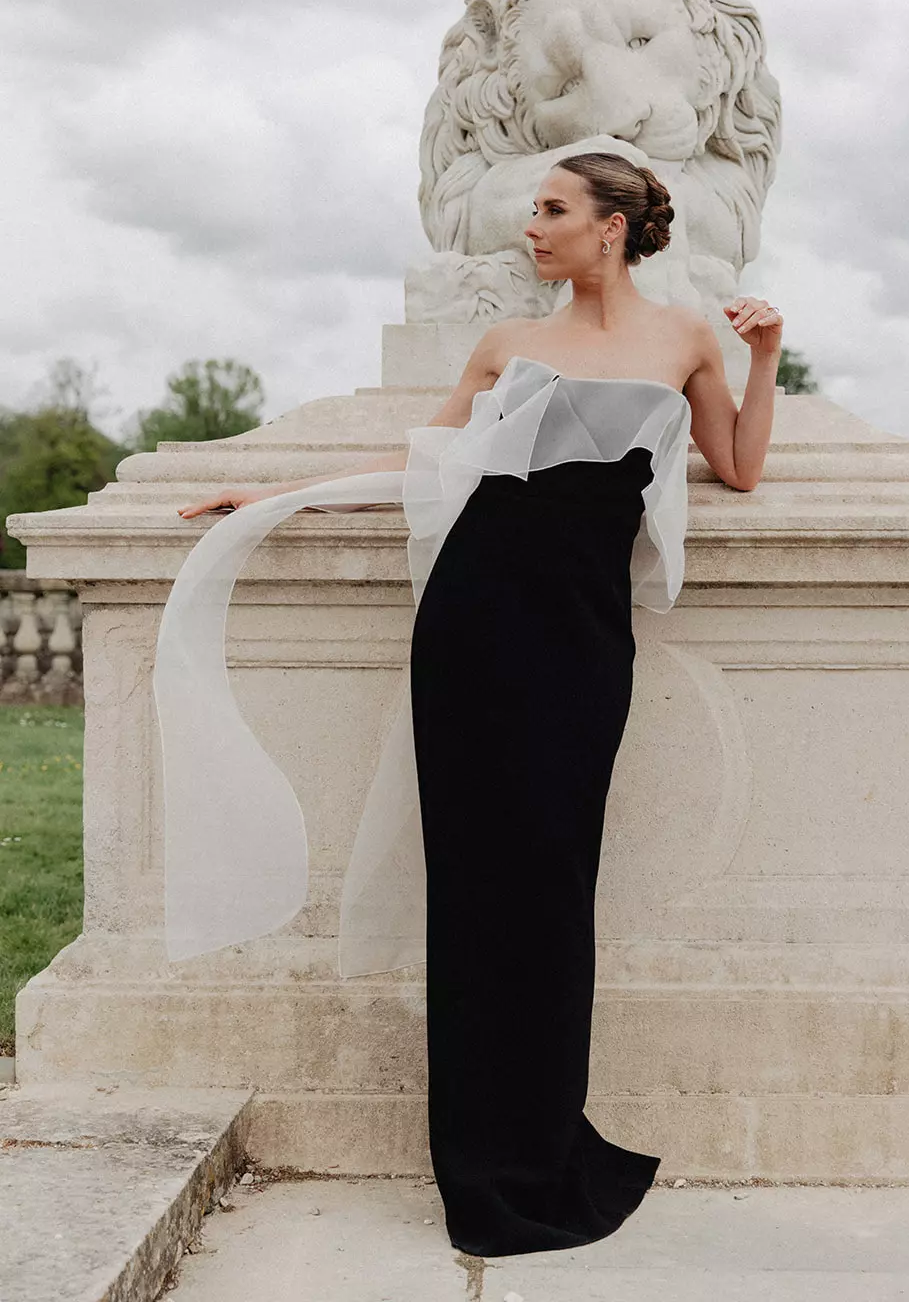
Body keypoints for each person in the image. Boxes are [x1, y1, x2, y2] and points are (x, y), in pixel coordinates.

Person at [162, 151, 781, 1258]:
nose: (529, 227)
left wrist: (765, 354)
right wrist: (276, 494)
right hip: (474, 620)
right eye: (531, 209)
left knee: (555, 880)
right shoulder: (506, 343)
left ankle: (542, 1145)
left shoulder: (687, 337)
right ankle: (481, 1168)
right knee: (473, 883)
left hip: (583, 635)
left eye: (551, 209)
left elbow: (735, 466)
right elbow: (425, 462)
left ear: (611, 227)